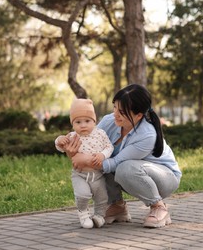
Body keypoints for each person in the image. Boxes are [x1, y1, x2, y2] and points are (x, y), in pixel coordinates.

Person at [65, 84, 182, 228]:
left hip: (164, 178)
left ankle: (158, 207)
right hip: (133, 175)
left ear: (138, 115)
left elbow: (116, 162)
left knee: (124, 167)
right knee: (104, 164)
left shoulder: (147, 135)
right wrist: (72, 152)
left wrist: (86, 160)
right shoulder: (110, 121)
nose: (115, 114)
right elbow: (90, 145)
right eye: (115, 107)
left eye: (122, 111)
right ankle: (117, 206)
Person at [55, 98, 114, 229]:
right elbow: (60, 146)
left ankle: (99, 216)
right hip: (80, 174)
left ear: (94, 121)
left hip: (98, 175)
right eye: (78, 122)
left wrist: (102, 155)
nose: (83, 125)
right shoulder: (72, 136)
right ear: (72, 124)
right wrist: (59, 140)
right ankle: (83, 213)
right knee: (83, 194)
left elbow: (109, 147)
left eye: (87, 121)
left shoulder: (100, 134)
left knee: (102, 197)